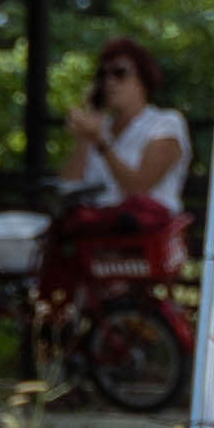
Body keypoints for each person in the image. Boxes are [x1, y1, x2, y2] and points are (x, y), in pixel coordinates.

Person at [61, 37, 190, 275]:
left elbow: (139, 187)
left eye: (120, 73)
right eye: (103, 75)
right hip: (98, 243)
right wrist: (84, 137)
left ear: (142, 78)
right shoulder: (100, 127)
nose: (110, 82)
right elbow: (68, 185)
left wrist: (101, 143)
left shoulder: (165, 123)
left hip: (146, 244)